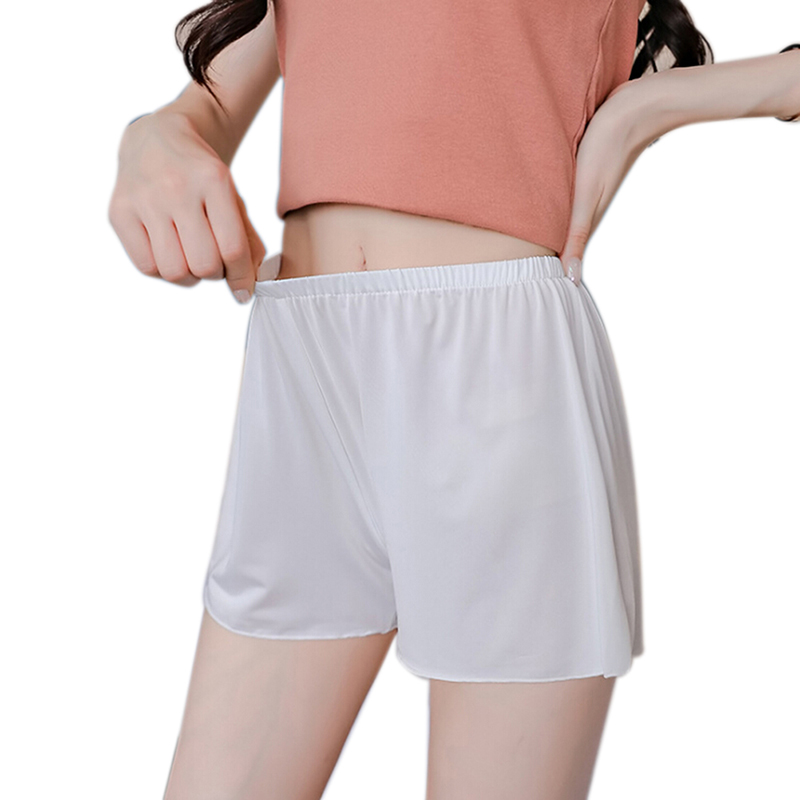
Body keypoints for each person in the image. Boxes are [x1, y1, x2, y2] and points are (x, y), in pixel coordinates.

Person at [108, 0, 799, 796]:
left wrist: (651, 107)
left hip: (493, 373)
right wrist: (157, 132)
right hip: (300, 367)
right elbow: (213, 105)